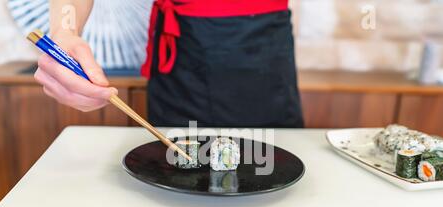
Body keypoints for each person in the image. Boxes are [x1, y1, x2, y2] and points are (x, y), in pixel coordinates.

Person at [35, 0, 304, 128]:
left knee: (266, 170)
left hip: (261, 51)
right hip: (177, 57)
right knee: (175, 179)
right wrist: (64, 31)